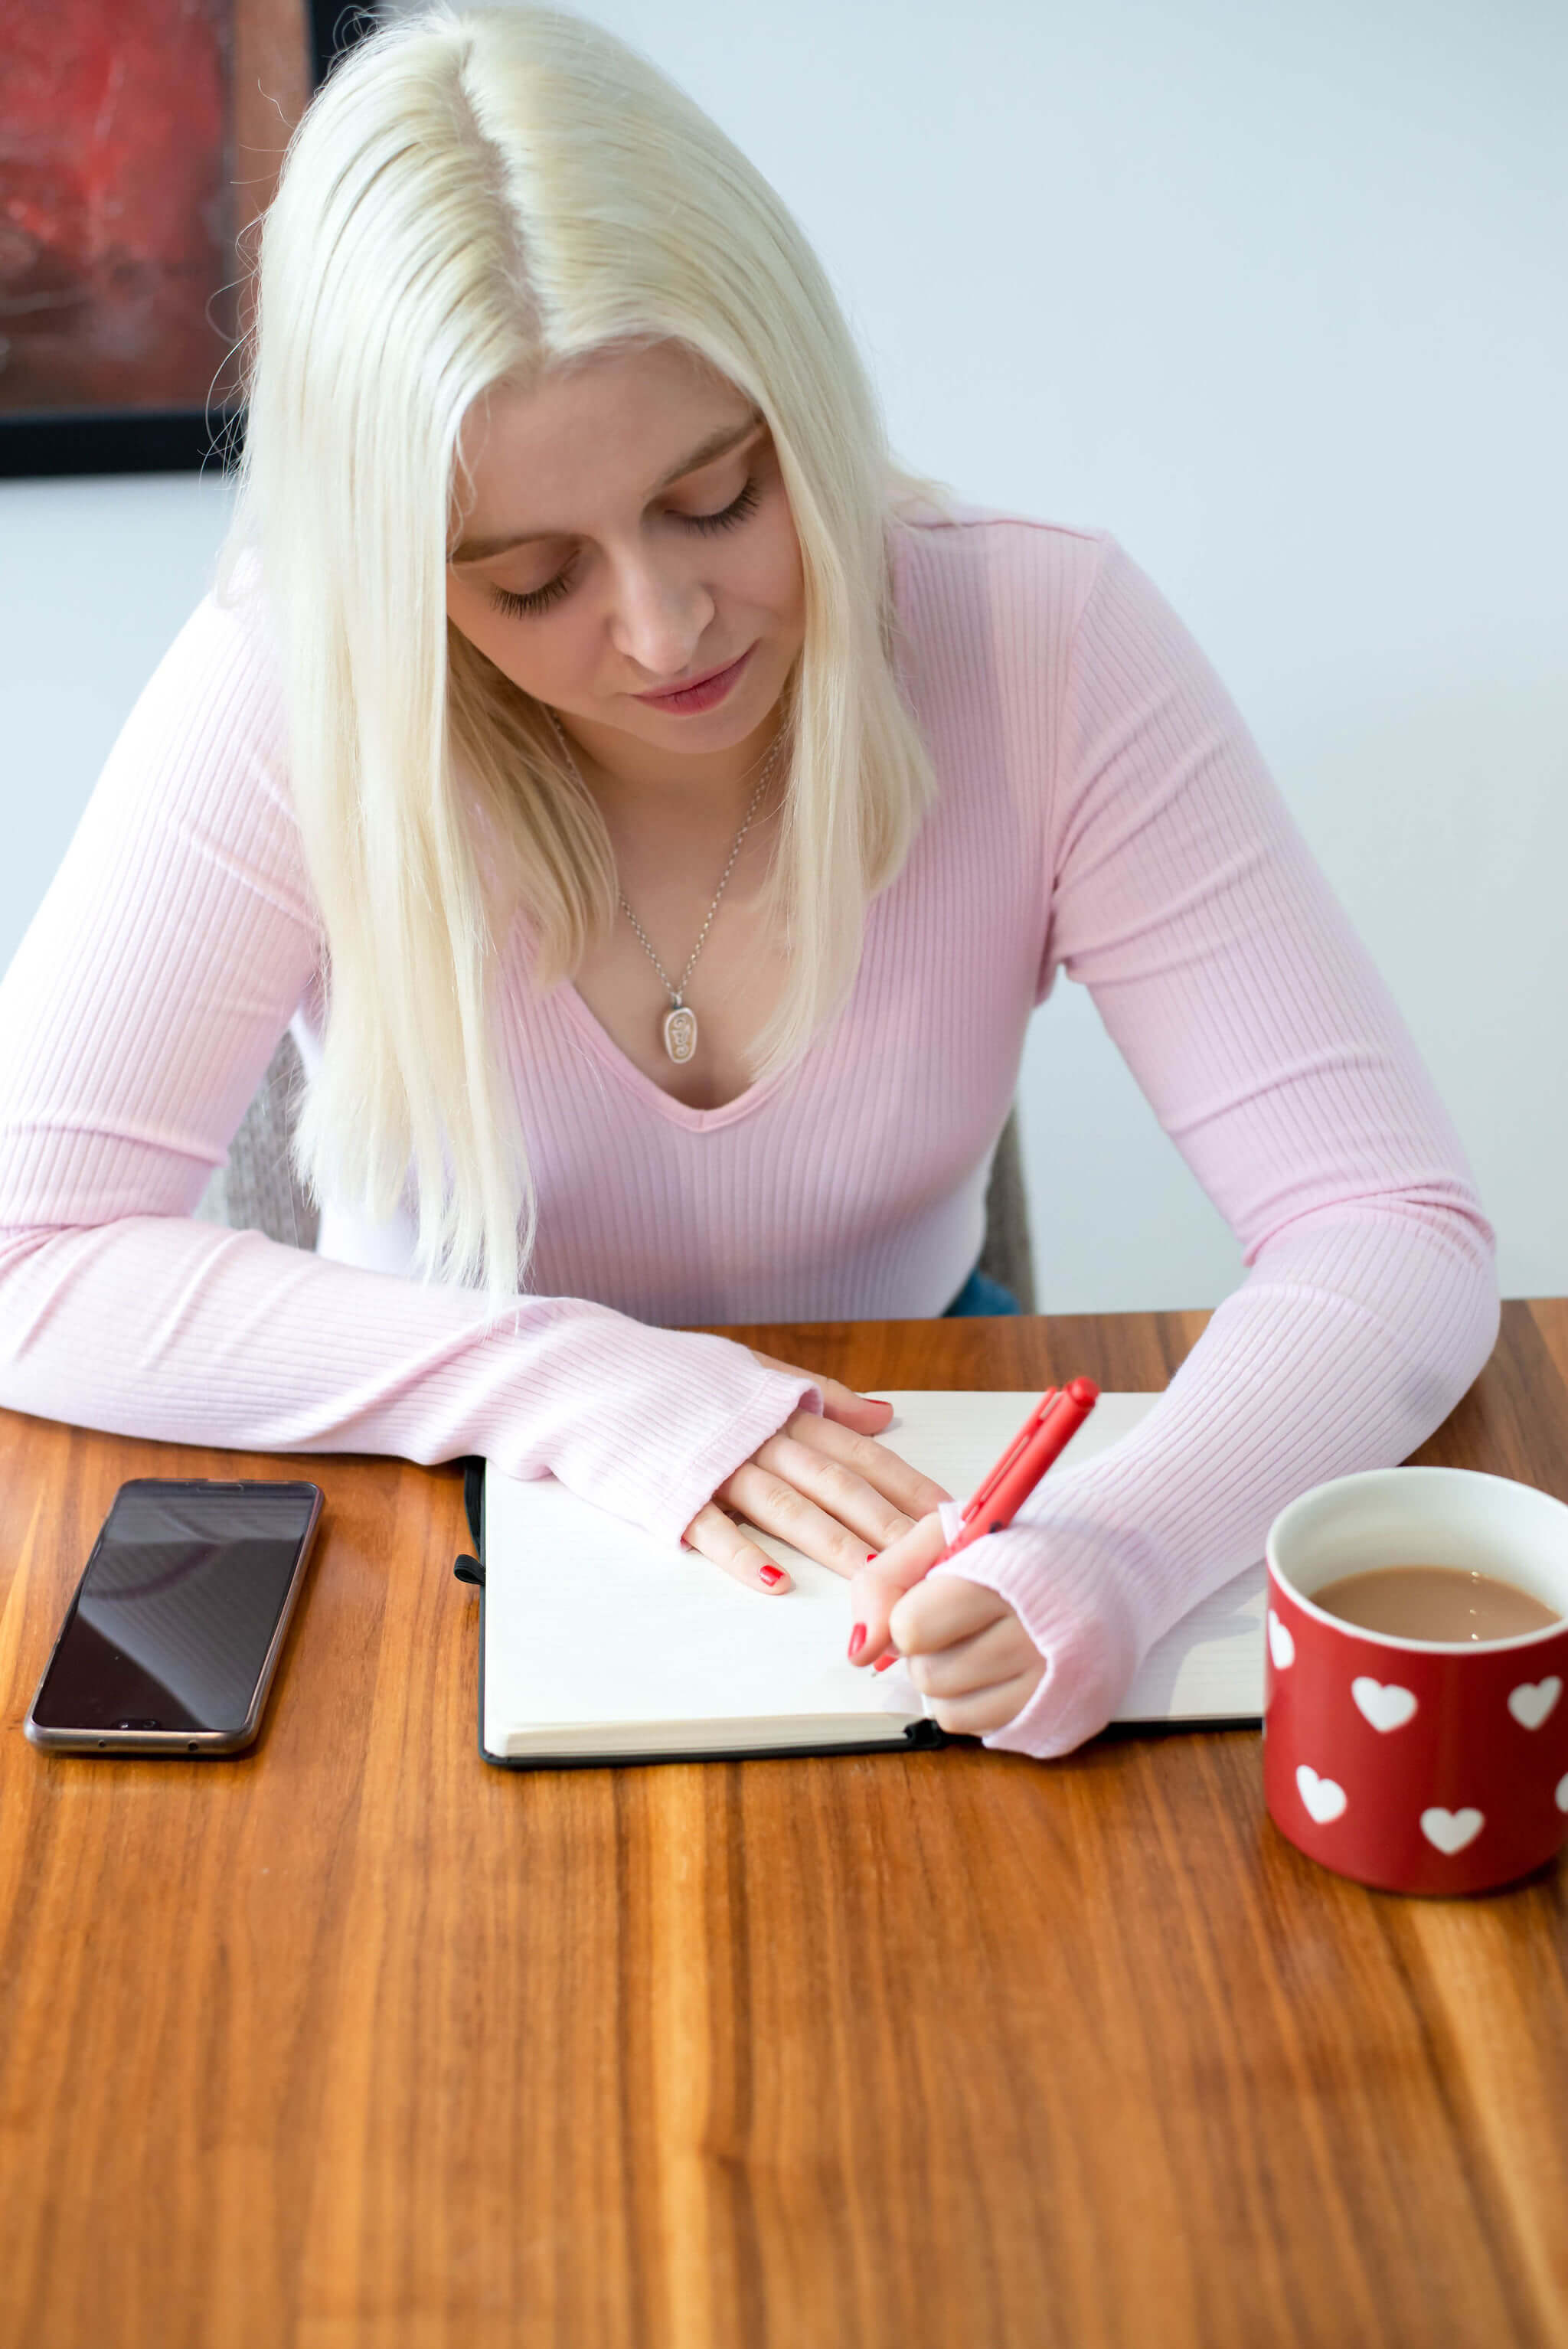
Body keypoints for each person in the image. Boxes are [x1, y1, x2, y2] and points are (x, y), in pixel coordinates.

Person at [0, 5, 1498, 1757]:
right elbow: (27, 1254)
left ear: (800, 396)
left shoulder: (1042, 639)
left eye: (715, 496)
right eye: (530, 577)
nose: (664, 629)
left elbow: (1393, 1227)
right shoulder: (289, 692)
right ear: (399, 577)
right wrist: (580, 1381)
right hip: (444, 1487)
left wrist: (1116, 1543)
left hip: (920, 1475)